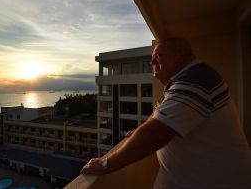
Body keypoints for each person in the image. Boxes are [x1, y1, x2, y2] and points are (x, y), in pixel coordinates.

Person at [81, 37, 251, 188]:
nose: (153, 62)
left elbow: (154, 133)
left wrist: (106, 163)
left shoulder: (195, 81)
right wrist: (140, 131)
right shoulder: (183, 81)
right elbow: (159, 118)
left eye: (159, 55)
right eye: (152, 58)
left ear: (182, 53)